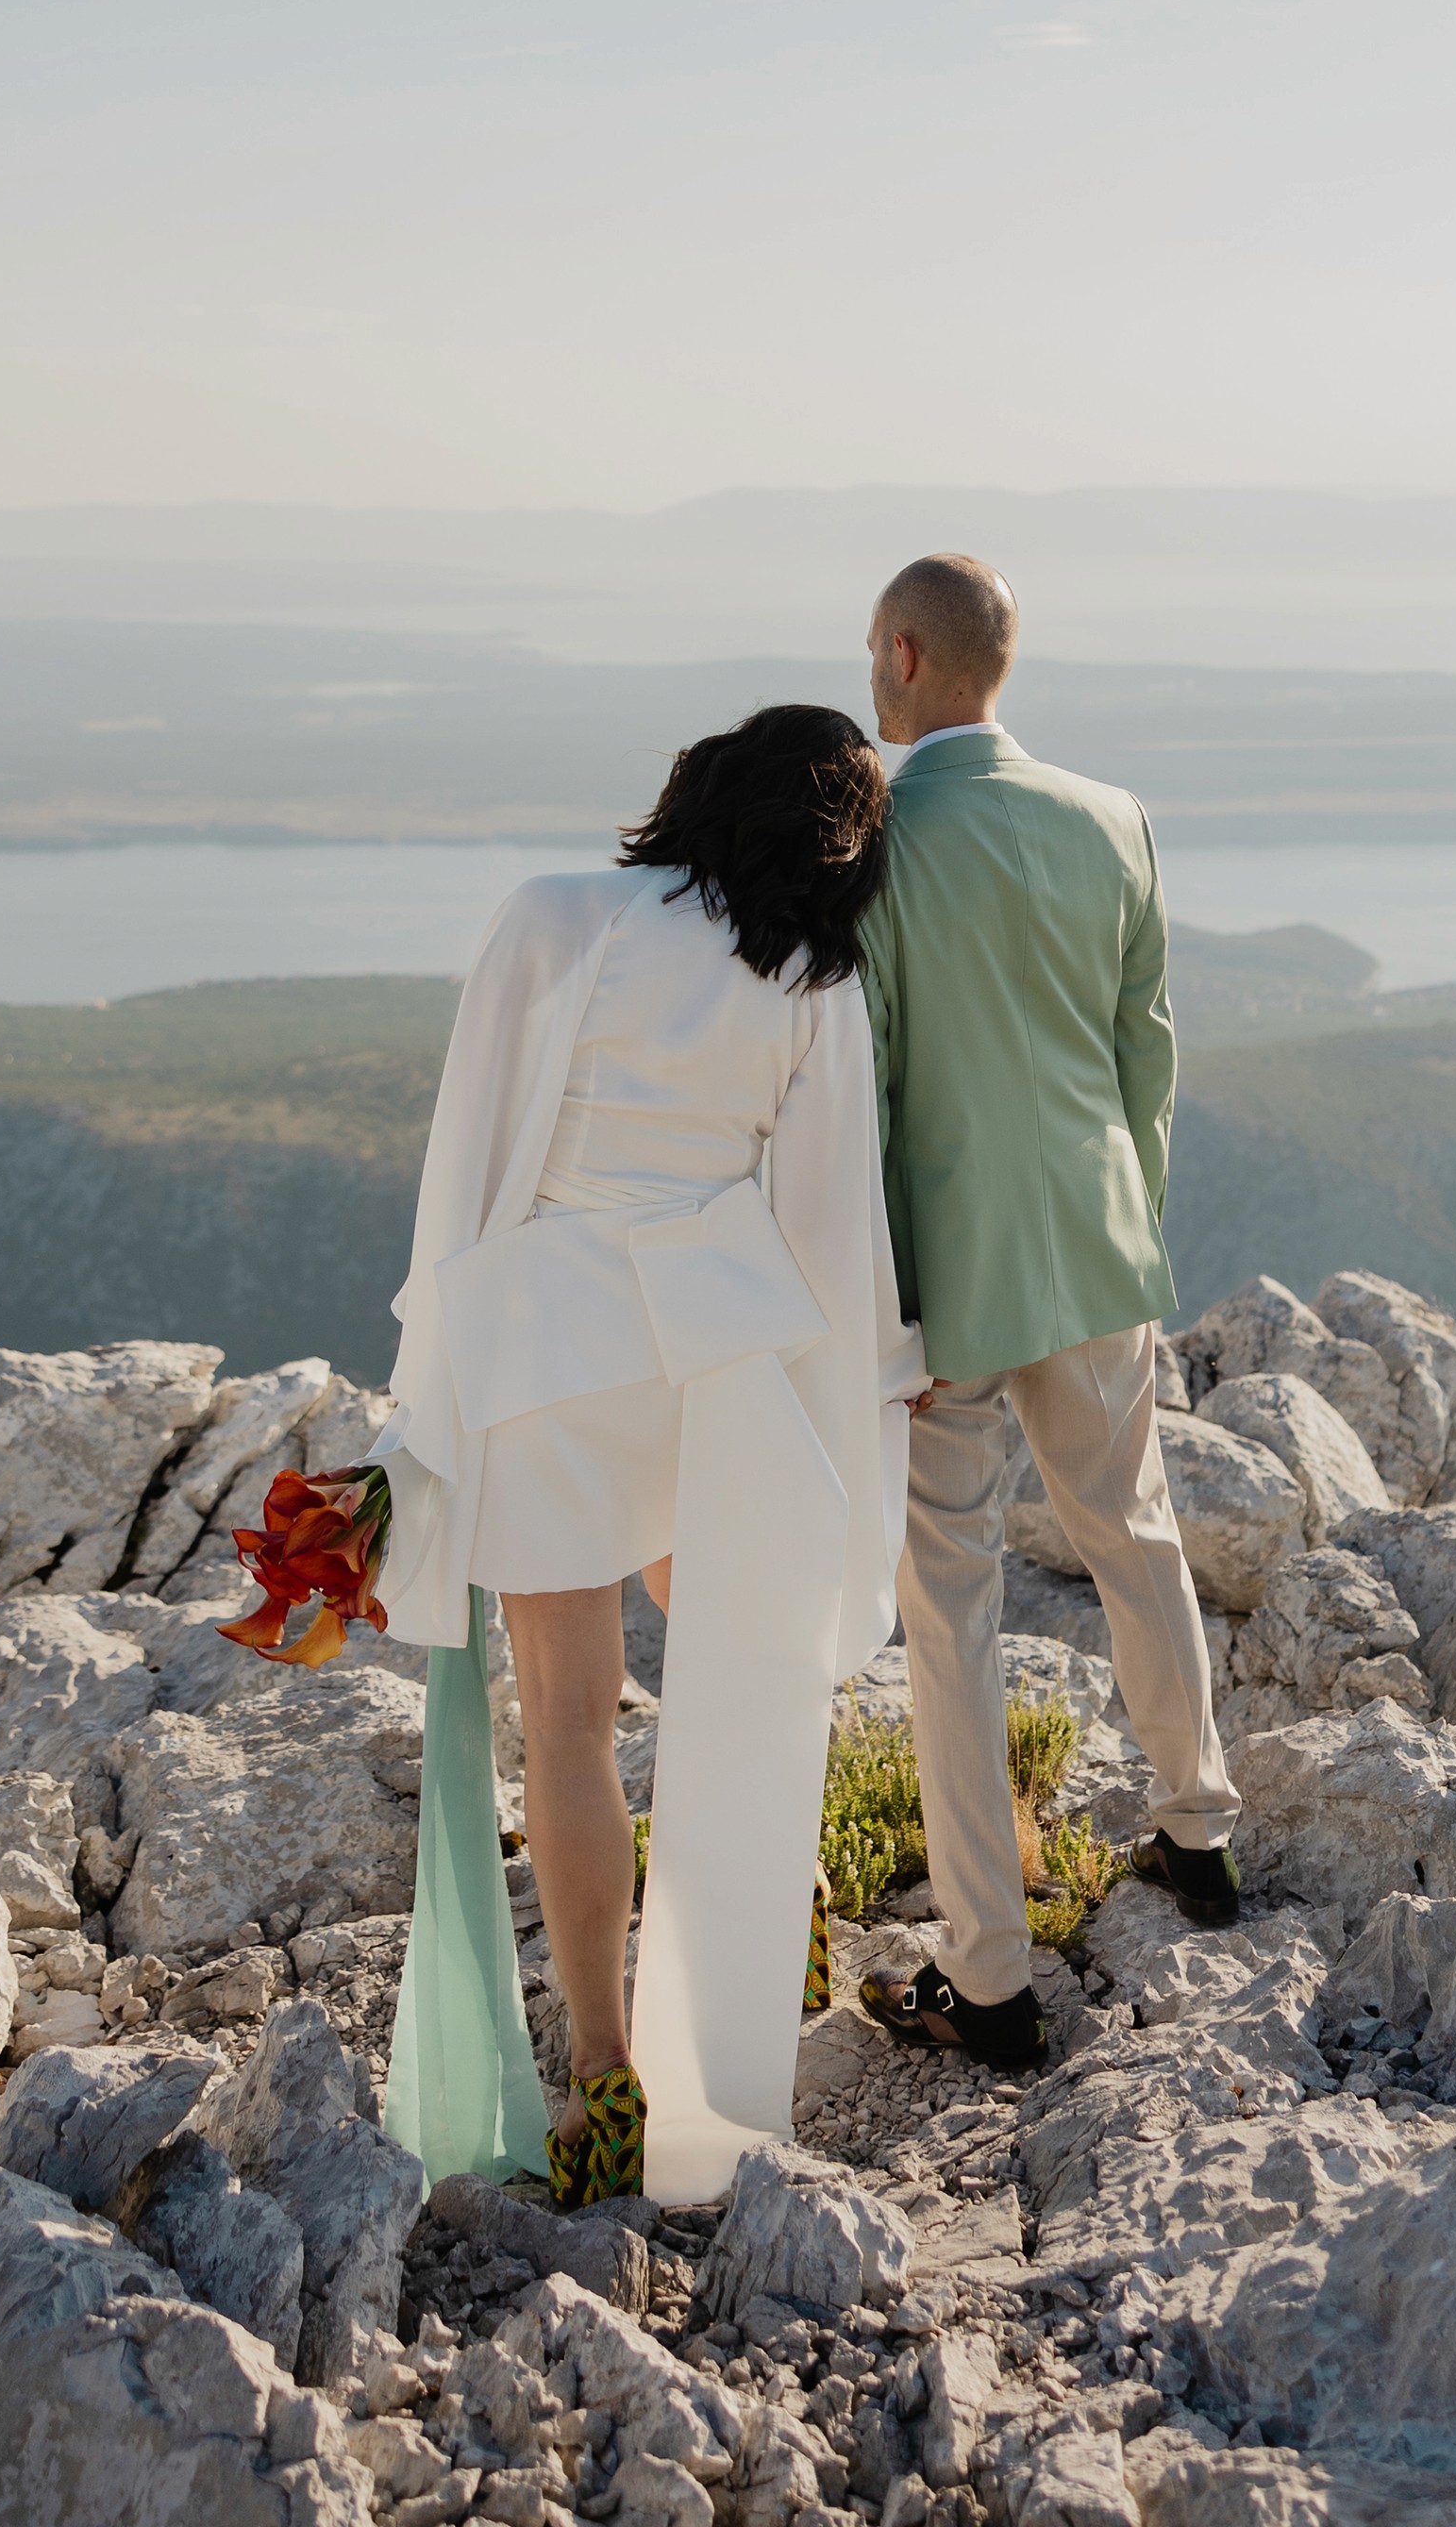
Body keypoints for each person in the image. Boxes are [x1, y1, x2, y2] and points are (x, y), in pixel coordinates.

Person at [365, 704, 925, 2207]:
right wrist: (855, 1400)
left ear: (703, 788)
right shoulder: (815, 974)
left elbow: (466, 1162)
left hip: (545, 1347)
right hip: (714, 1355)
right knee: (740, 1666)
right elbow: (827, 1218)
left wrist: (425, 1392)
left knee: (564, 1721)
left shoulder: (554, 917)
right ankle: (763, 1931)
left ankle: (607, 2070)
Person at [855, 553, 1241, 2071]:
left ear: (902, 656)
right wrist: (1126, 1220)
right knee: (1132, 1530)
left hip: (946, 1277)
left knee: (948, 1612)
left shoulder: (875, 845)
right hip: (1093, 1248)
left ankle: (992, 1980)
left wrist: (878, 1302)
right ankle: (1198, 1833)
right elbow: (1148, 1063)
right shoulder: (1115, 820)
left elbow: (864, 1088)